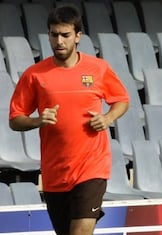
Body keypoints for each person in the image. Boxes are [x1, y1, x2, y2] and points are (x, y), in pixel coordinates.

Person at [9, 5, 129, 235]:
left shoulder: (98, 69)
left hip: (91, 168)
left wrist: (108, 117)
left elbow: (122, 100)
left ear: (78, 36)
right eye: (54, 35)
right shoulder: (35, 75)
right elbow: (15, 119)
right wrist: (37, 121)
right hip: (55, 173)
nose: (59, 41)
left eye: (65, 35)